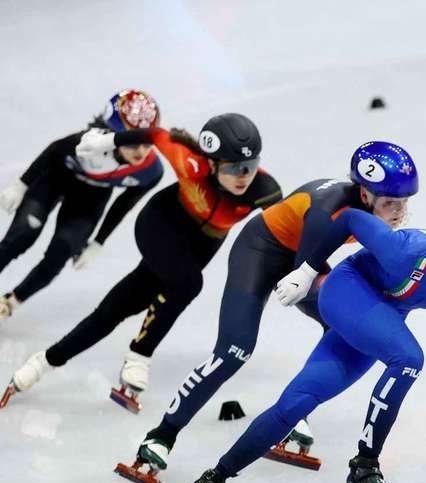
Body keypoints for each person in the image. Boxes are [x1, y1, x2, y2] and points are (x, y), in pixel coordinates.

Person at [173, 204, 426, 483]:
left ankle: (214, 477)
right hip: (346, 290)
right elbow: (349, 218)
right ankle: (365, 463)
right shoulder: (403, 251)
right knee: (408, 359)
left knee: (297, 403)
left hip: (380, 316)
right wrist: (305, 272)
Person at [118, 141, 419, 483]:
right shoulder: (328, 212)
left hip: (302, 259)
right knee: (234, 350)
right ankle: (162, 434)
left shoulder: (364, 206)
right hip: (260, 253)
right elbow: (306, 270)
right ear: (364, 195)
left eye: (404, 203)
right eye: (390, 203)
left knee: (340, 327)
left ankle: (294, 411)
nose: (398, 212)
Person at [0, 114, 282, 412]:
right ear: (212, 163)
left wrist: (303, 270)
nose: (244, 176)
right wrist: (107, 141)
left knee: (113, 311)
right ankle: (139, 355)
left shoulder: (265, 189)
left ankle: (42, 362)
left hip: (198, 246)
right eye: (235, 167)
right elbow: (156, 134)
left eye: (250, 166)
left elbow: (285, 231)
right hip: (159, 224)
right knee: (188, 283)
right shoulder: (189, 161)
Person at [0, 90, 162, 320]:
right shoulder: (89, 143)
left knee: (61, 252)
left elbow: (123, 205)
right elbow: (54, 150)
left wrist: (99, 241)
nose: (141, 152)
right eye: (133, 143)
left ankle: (10, 303)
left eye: (148, 143)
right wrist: (21, 184)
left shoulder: (150, 171)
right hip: (55, 179)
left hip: (90, 198)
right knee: (21, 236)